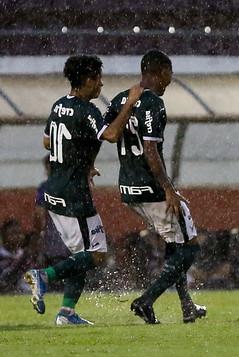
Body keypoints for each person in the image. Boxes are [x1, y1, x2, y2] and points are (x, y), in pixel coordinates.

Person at [24, 55, 143, 325]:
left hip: (54, 190)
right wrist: (131, 103)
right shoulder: (85, 109)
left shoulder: (59, 105)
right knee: (97, 254)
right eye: (98, 78)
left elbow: (47, 141)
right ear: (88, 80)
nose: (101, 83)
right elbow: (111, 135)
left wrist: (82, 163)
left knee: (82, 255)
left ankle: (67, 313)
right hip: (72, 195)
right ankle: (45, 276)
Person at [100, 49, 204, 324]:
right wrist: (168, 189)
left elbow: (106, 134)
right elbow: (150, 150)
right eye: (167, 76)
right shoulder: (153, 103)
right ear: (158, 72)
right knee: (190, 247)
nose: (169, 82)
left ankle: (187, 306)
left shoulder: (120, 99)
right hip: (150, 188)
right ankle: (146, 300)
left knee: (174, 241)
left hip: (128, 188)